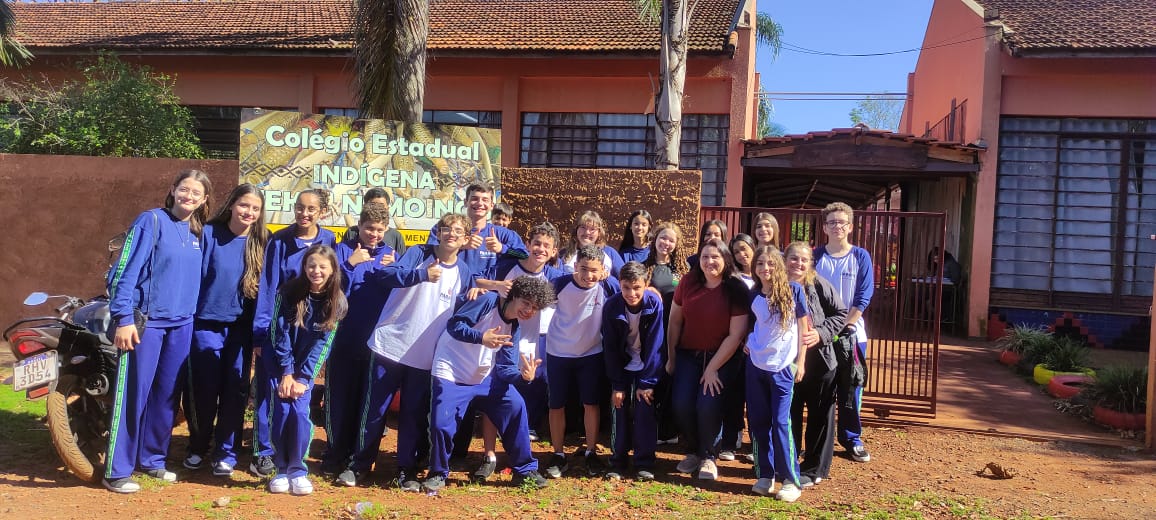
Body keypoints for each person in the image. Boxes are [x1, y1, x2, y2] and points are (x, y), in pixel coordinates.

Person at [344, 213, 475, 490]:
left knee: (413, 415)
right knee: (375, 411)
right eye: (446, 229)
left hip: (425, 356)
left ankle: (406, 470)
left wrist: (485, 291)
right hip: (390, 345)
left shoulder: (463, 272)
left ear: (465, 240)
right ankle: (359, 465)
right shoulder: (418, 253)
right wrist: (421, 275)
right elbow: (387, 275)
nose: (451, 234)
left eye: (458, 231)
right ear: (438, 232)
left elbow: (465, 304)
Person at [103, 169, 212, 493]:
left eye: (196, 193)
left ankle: (152, 460)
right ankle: (117, 470)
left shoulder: (198, 232)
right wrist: (123, 318)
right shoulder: (150, 221)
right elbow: (124, 273)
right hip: (145, 324)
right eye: (184, 189)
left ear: (204, 200)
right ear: (173, 189)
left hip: (181, 325)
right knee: (133, 395)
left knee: (166, 397)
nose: (189, 196)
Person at [423, 276, 558, 492]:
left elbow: (505, 369)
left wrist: (523, 376)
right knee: (442, 423)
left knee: (515, 406)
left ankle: (524, 471)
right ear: (514, 296)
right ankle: (438, 472)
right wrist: (480, 337)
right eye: (526, 302)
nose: (529, 310)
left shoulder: (513, 327)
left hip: (484, 376)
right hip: (451, 371)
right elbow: (454, 325)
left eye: (534, 307)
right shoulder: (487, 302)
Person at [184, 183, 269, 478]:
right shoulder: (208, 234)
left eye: (255, 209)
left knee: (234, 392)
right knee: (203, 391)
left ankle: (226, 453)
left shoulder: (262, 242)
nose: (249, 212)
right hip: (205, 324)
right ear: (232, 204)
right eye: (244, 205)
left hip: (241, 331)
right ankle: (197, 447)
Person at [467, 223, 563, 482]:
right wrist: (494, 285)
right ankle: (489, 455)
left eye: (546, 246)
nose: (540, 249)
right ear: (528, 244)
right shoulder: (509, 264)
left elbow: (585, 281)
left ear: (554, 251)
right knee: (494, 399)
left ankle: (518, 458)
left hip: (530, 346)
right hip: (499, 342)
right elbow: (475, 279)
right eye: (537, 243)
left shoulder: (553, 276)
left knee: (521, 402)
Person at [251, 189, 336, 477]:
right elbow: (267, 286)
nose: (304, 214)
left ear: (322, 212)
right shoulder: (279, 240)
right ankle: (264, 452)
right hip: (280, 327)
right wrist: (261, 333)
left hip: (311, 330)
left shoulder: (328, 240)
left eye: (311, 209)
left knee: (298, 393)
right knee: (269, 391)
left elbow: (332, 282)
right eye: (300, 208)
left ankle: (294, 456)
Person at [265, 244, 348, 495]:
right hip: (279, 364)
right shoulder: (288, 292)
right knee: (281, 412)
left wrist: (302, 377)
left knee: (300, 414)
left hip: (304, 371)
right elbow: (279, 335)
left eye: (323, 267)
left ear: (333, 270)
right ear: (304, 267)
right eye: (311, 265)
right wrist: (286, 372)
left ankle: (297, 469)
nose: (316, 271)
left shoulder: (338, 302)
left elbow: (324, 345)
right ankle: (280, 469)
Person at [323, 204, 398, 476]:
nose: (373, 234)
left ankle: (360, 460)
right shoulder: (343, 251)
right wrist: (349, 264)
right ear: (359, 226)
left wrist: (396, 269)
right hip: (343, 339)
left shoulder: (392, 256)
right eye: (369, 228)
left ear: (386, 230)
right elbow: (328, 290)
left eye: (379, 230)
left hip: (375, 343)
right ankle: (334, 455)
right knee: (338, 401)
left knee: (368, 404)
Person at [665, 238, 749, 482]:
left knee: (708, 404)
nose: (709, 262)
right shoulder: (688, 282)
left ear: (725, 260)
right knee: (681, 404)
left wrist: (712, 369)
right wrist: (671, 357)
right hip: (688, 355)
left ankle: (709, 457)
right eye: (704, 257)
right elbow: (675, 321)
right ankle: (693, 451)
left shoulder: (736, 288)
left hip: (722, 358)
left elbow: (736, 335)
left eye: (715, 257)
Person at [543, 244, 621, 478]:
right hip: (558, 352)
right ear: (575, 266)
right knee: (556, 405)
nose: (589, 276)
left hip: (591, 354)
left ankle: (590, 452)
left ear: (603, 270)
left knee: (591, 404)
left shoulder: (608, 285)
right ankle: (558, 454)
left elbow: (629, 296)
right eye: (584, 269)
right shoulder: (560, 284)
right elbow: (535, 303)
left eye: (594, 271)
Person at [744, 246, 810, 501]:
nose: (765, 269)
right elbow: (751, 325)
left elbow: (804, 329)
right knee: (758, 422)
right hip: (756, 366)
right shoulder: (752, 294)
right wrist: (748, 342)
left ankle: (790, 480)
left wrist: (800, 363)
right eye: (760, 264)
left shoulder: (794, 291)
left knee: (781, 423)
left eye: (770, 264)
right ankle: (765, 475)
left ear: (779, 266)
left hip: (783, 367)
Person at [813, 202, 875, 463]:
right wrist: (823, 330)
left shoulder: (860, 256)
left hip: (852, 334)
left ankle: (852, 438)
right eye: (832, 222)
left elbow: (863, 295)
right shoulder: (815, 257)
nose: (837, 226)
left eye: (842, 222)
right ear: (824, 227)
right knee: (820, 389)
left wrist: (846, 325)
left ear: (850, 226)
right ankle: (818, 440)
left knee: (850, 389)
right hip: (820, 336)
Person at [785, 241, 847, 488]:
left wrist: (820, 333)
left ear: (810, 263)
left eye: (804, 260)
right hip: (788, 361)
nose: (799, 264)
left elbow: (840, 314)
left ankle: (814, 468)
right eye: (794, 258)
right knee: (789, 414)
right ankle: (789, 463)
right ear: (785, 260)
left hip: (820, 360)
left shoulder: (818, 284)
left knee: (820, 415)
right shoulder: (778, 285)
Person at [601, 262, 664, 482]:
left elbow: (656, 345)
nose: (631, 293)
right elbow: (609, 347)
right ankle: (617, 460)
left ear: (646, 284)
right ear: (620, 285)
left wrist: (648, 382)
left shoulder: (654, 304)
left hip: (646, 367)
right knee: (619, 408)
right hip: (623, 366)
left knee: (645, 411)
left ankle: (643, 462)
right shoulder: (611, 306)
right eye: (626, 287)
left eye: (637, 287)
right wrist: (617, 385)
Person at [641, 221, 690, 445]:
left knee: (673, 379)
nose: (666, 243)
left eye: (671, 240)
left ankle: (669, 430)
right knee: (654, 378)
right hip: (650, 332)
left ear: (677, 244)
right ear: (655, 239)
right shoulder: (644, 267)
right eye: (663, 238)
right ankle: (652, 428)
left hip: (677, 331)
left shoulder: (682, 271)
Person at [427, 182, 526, 274]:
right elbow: (428, 254)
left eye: (485, 200)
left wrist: (502, 248)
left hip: (488, 291)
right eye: (474, 199)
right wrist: (460, 246)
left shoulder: (504, 234)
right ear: (466, 202)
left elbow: (524, 256)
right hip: (452, 288)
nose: (479, 203)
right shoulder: (444, 228)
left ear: (491, 206)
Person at [719, 233, 757, 462]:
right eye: (736, 252)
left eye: (745, 249)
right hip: (737, 346)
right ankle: (731, 441)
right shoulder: (732, 279)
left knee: (756, 398)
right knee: (733, 396)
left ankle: (756, 444)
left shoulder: (766, 277)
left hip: (760, 347)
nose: (742, 254)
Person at [558, 210, 625, 277]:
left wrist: (607, 278)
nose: (587, 232)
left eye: (592, 229)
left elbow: (625, 278)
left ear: (599, 232)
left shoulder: (610, 253)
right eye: (583, 227)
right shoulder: (563, 253)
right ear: (576, 230)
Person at [342, 187, 406, 255]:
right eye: (373, 205)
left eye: (381, 206)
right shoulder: (352, 232)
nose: (377, 209)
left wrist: (393, 263)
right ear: (365, 207)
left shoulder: (395, 236)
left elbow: (402, 263)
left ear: (387, 208)